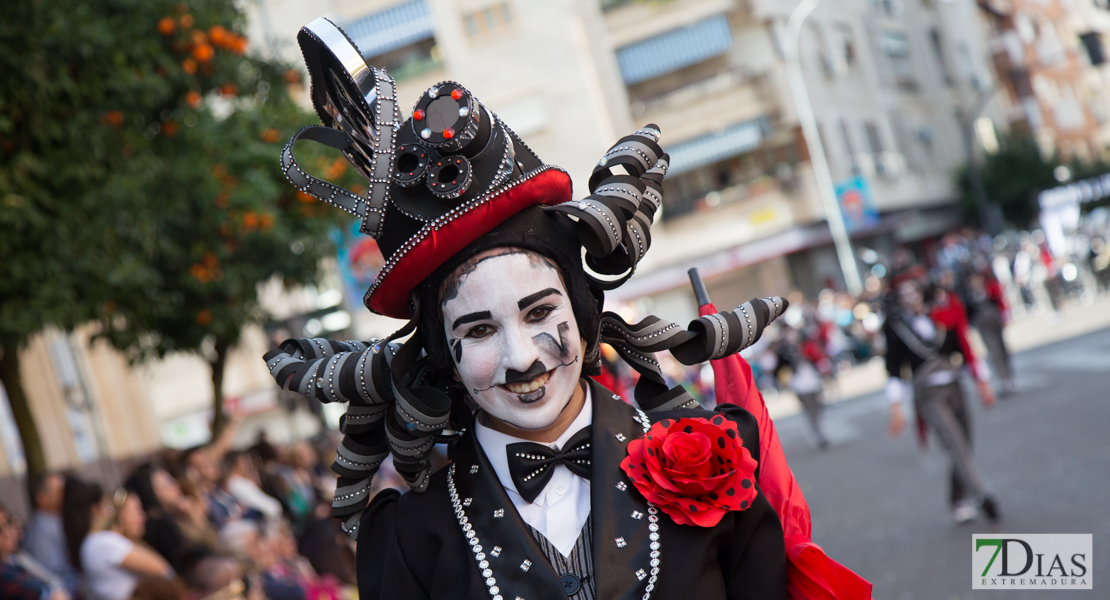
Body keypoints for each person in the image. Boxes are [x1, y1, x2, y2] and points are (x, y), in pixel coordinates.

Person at [260, 18, 870, 600]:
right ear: (443, 352)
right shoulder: (407, 537)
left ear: (579, 310)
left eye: (537, 312)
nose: (520, 357)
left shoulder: (712, 461)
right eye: (477, 329)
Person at [883, 275, 1000, 524]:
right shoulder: (895, 326)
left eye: (913, 291)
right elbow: (893, 368)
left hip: (955, 386)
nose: (909, 298)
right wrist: (896, 408)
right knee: (954, 444)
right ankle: (982, 495)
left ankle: (958, 498)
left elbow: (963, 346)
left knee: (964, 445)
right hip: (928, 394)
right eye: (903, 294)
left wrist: (982, 381)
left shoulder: (941, 314)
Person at [78, 487, 173, 600]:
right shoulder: (104, 540)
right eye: (137, 510)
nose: (142, 517)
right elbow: (164, 571)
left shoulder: (100, 540)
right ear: (120, 515)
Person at [21, 473, 80, 596]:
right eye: (61, 492)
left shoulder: (55, 521)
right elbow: (53, 577)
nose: (67, 496)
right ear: (42, 499)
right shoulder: (42, 531)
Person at [1, 502, 70, 600]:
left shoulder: (15, 558)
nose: (8, 533)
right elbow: (40, 592)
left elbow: (52, 582)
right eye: (0, 530)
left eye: (8, 523)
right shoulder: (3, 572)